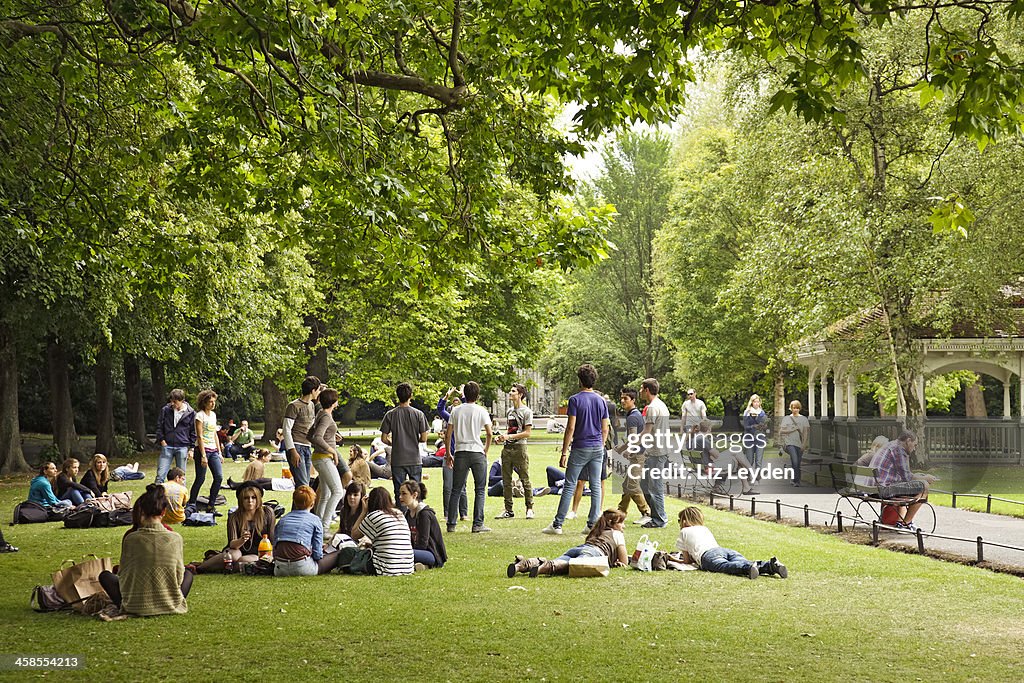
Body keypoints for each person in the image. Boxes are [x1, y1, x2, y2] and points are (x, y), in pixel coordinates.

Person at [98, 484, 193, 615]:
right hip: (169, 603)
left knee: (105, 576)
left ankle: (136, 602)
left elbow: (123, 575)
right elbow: (179, 575)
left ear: (141, 510)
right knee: (188, 574)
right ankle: (167, 601)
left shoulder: (131, 538)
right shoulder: (175, 538)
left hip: (134, 604)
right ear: (164, 511)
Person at [543, 364, 610, 535]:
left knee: (570, 485)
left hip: (580, 447)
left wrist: (564, 451)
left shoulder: (575, 400)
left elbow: (570, 428)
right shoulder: (601, 401)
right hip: (597, 447)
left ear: (579, 380)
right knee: (595, 485)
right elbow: (605, 428)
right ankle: (592, 523)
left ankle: (557, 524)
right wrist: (601, 445)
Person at [675, 506, 787, 579]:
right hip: (723, 550)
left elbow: (687, 561)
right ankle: (771, 565)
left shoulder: (684, 532)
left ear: (684, 521)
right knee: (743, 561)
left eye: (680, 520)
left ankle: (748, 568)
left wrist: (671, 559)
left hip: (707, 556)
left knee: (726, 566)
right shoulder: (704, 528)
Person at [189, 482, 277, 573]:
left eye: (253, 497)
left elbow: (273, 538)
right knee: (233, 556)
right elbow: (232, 544)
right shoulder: (234, 516)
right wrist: (242, 539)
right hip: (236, 550)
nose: (250, 501)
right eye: (246, 498)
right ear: (240, 500)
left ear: (258, 498)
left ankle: (221, 565)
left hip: (259, 553)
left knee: (243, 560)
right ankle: (198, 569)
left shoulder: (267, 512)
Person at [511, 509, 628, 577]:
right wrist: (619, 562)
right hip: (593, 554)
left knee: (557, 561)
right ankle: (542, 568)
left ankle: (521, 565)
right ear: (611, 523)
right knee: (571, 566)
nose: (624, 526)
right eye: (621, 523)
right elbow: (624, 561)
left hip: (578, 549)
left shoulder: (597, 531)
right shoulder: (617, 534)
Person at [445, 381, 493, 533]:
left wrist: (448, 453)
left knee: (456, 489)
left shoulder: (456, 411)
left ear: (464, 393)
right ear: (477, 395)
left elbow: (448, 435)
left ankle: (451, 524)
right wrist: (486, 449)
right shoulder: (481, 411)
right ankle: (477, 524)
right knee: (479, 489)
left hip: (461, 452)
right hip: (477, 451)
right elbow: (489, 433)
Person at [868, 430, 937, 531]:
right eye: (915, 444)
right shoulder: (899, 449)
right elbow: (907, 478)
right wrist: (925, 478)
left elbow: (903, 475)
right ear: (908, 441)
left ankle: (903, 522)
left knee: (920, 484)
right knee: (924, 486)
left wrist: (917, 476)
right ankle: (906, 524)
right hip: (883, 490)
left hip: (874, 488)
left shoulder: (891, 445)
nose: (914, 448)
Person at [380, 381, 430, 501]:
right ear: (410, 395)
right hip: (414, 458)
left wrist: (394, 443)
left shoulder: (390, 415)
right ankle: (417, 516)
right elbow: (424, 438)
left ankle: (401, 517)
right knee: (416, 491)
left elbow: (383, 438)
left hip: (398, 459)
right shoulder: (419, 414)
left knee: (399, 492)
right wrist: (413, 439)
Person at [273, 485, 339, 576]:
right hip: (302, 567)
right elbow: (317, 555)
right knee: (337, 554)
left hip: (279, 569)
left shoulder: (282, 520)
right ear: (312, 504)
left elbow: (275, 546)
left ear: (295, 502)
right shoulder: (315, 520)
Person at [310, 388, 351, 529]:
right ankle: (325, 527)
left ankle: (318, 525)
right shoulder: (326, 416)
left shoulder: (322, 414)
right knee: (338, 491)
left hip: (320, 457)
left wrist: (332, 437)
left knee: (325, 494)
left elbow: (311, 434)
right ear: (333, 401)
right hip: (323, 458)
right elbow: (316, 437)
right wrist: (332, 450)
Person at [494, 383, 535, 520]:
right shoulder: (509, 412)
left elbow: (527, 433)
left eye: (513, 391)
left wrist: (509, 437)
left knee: (524, 478)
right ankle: (508, 510)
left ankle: (529, 508)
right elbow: (511, 430)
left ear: (520, 394)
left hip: (520, 448)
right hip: (507, 448)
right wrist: (502, 437)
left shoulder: (526, 412)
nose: (510, 393)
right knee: (506, 480)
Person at [353, 487, 415, 576]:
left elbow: (354, 534)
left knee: (350, 552)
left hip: (386, 568)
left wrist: (364, 511)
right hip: (407, 567)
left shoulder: (374, 516)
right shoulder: (399, 513)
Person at [636, 377, 670, 529]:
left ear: (647, 390)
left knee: (654, 487)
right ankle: (656, 515)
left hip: (656, 452)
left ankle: (660, 519)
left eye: (642, 389)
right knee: (645, 484)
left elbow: (646, 431)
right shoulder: (661, 405)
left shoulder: (652, 408)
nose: (640, 392)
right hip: (658, 451)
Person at [614, 388, 651, 525]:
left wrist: (622, 449)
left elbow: (634, 438)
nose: (622, 401)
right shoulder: (634, 415)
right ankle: (620, 514)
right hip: (637, 454)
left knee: (632, 485)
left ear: (633, 400)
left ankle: (646, 513)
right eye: (622, 398)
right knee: (627, 485)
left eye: (626, 398)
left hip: (638, 455)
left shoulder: (632, 417)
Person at [283, 376, 323, 489]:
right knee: (302, 485)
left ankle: (298, 507)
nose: (319, 392)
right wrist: (293, 451)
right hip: (296, 447)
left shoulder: (311, 405)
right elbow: (286, 430)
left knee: (304, 484)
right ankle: (301, 507)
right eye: (318, 389)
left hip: (307, 447)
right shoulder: (293, 406)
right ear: (313, 390)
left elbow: (311, 426)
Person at [188, 389, 224, 512]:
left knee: (219, 477)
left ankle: (211, 505)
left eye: (214, 401)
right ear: (204, 403)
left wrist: (219, 452)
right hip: (202, 450)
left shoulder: (213, 415)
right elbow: (199, 436)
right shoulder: (199, 416)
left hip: (213, 450)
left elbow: (215, 434)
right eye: (210, 402)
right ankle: (191, 503)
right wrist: (203, 455)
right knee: (200, 478)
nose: (213, 404)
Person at [399, 480, 448, 569]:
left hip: (431, 553)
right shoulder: (407, 514)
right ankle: (422, 566)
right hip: (416, 551)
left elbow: (423, 542)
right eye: (400, 494)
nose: (400, 497)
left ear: (414, 495)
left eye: (404, 494)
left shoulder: (424, 514)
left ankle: (424, 564)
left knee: (401, 553)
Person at [436, 387, 468, 522]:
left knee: (462, 487)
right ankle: (447, 514)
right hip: (448, 456)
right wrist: (446, 396)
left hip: (461, 456)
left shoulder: (465, 419)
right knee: (447, 486)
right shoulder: (450, 419)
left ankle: (463, 514)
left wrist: (462, 395)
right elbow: (440, 410)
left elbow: (469, 405)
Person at [154, 389, 197, 484]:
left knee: (181, 477)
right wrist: (162, 440)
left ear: (182, 400)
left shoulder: (191, 413)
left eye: (175, 401)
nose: (172, 403)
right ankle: (156, 498)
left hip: (182, 447)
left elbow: (193, 432)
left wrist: (192, 448)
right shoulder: (165, 410)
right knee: (160, 475)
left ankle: (182, 498)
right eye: (171, 401)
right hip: (167, 446)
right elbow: (159, 426)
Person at [778, 400, 810, 486]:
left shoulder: (803, 419)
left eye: (797, 408)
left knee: (797, 463)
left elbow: (805, 433)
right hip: (789, 443)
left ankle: (795, 480)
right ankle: (796, 481)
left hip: (799, 443)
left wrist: (804, 444)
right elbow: (781, 431)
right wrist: (792, 429)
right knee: (795, 460)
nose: (795, 409)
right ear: (791, 408)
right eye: (794, 408)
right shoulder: (787, 418)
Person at [742, 394, 769, 475]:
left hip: (759, 438)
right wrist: (753, 426)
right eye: (755, 402)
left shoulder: (762, 412)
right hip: (749, 438)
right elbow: (745, 426)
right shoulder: (747, 412)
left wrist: (764, 426)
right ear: (751, 403)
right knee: (749, 460)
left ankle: (757, 477)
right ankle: (749, 476)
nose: (756, 403)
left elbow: (764, 425)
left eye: (758, 402)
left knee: (758, 460)